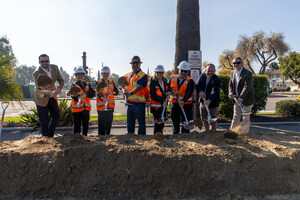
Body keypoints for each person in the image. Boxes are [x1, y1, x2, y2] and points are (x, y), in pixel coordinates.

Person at [32, 54, 64, 137]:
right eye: (42, 61)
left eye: (46, 61)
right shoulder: (36, 73)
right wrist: (50, 92)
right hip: (41, 97)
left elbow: (61, 80)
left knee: (56, 115)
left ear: (49, 61)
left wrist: (60, 87)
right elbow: (40, 88)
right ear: (39, 62)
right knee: (44, 120)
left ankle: (50, 136)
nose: (44, 63)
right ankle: (45, 140)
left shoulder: (55, 68)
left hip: (51, 96)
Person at [228, 57, 256, 134]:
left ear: (241, 63)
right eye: (234, 63)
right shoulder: (232, 72)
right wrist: (230, 92)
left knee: (245, 117)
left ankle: (244, 134)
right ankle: (232, 132)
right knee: (236, 116)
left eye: (238, 63)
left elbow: (247, 86)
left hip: (247, 98)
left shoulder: (247, 73)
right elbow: (230, 83)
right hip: (236, 98)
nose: (236, 64)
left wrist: (241, 98)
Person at [125, 56, 149, 135]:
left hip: (139, 104)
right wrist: (125, 94)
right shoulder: (128, 75)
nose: (135, 65)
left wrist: (130, 93)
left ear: (140, 64)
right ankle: (131, 139)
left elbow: (139, 86)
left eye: (136, 63)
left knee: (141, 124)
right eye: (133, 63)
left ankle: (142, 140)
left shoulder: (143, 75)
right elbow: (126, 86)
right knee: (130, 124)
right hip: (129, 103)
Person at [169, 61, 194, 134]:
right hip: (174, 104)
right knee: (175, 121)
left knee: (185, 122)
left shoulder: (190, 81)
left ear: (188, 71)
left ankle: (185, 136)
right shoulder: (172, 78)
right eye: (181, 70)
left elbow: (189, 93)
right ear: (178, 70)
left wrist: (183, 101)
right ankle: (175, 135)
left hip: (186, 105)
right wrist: (171, 91)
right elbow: (168, 87)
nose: (183, 73)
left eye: (185, 71)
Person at [196, 64, 221, 132]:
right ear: (205, 70)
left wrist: (209, 100)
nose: (210, 72)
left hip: (213, 102)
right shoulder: (202, 76)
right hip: (203, 101)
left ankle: (213, 132)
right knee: (204, 118)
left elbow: (214, 91)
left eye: (212, 71)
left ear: (215, 71)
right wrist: (200, 91)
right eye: (208, 71)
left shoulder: (217, 79)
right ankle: (206, 131)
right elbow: (197, 85)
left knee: (212, 119)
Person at [71, 67, 95, 136]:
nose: (80, 76)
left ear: (84, 76)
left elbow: (92, 94)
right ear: (75, 76)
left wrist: (87, 94)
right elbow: (72, 95)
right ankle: (77, 140)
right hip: (77, 110)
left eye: (81, 75)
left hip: (86, 109)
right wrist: (78, 97)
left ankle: (85, 139)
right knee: (77, 126)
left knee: (85, 126)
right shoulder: (74, 85)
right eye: (78, 75)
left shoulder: (87, 85)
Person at [96, 66, 119, 135]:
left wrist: (112, 92)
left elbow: (117, 91)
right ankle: (101, 139)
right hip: (102, 107)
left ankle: (108, 137)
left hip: (110, 107)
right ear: (101, 74)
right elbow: (99, 94)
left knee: (108, 124)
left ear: (109, 74)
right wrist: (105, 99)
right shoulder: (99, 83)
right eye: (104, 73)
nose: (105, 75)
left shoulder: (111, 82)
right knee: (101, 126)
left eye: (107, 73)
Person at [149, 65, 170, 134]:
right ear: (155, 73)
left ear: (163, 73)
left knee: (162, 122)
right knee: (158, 122)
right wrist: (162, 101)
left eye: (160, 73)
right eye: (157, 72)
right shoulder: (153, 82)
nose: (159, 74)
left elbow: (167, 89)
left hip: (163, 106)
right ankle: (156, 136)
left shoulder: (164, 81)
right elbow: (153, 94)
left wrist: (169, 91)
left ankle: (161, 135)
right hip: (155, 107)